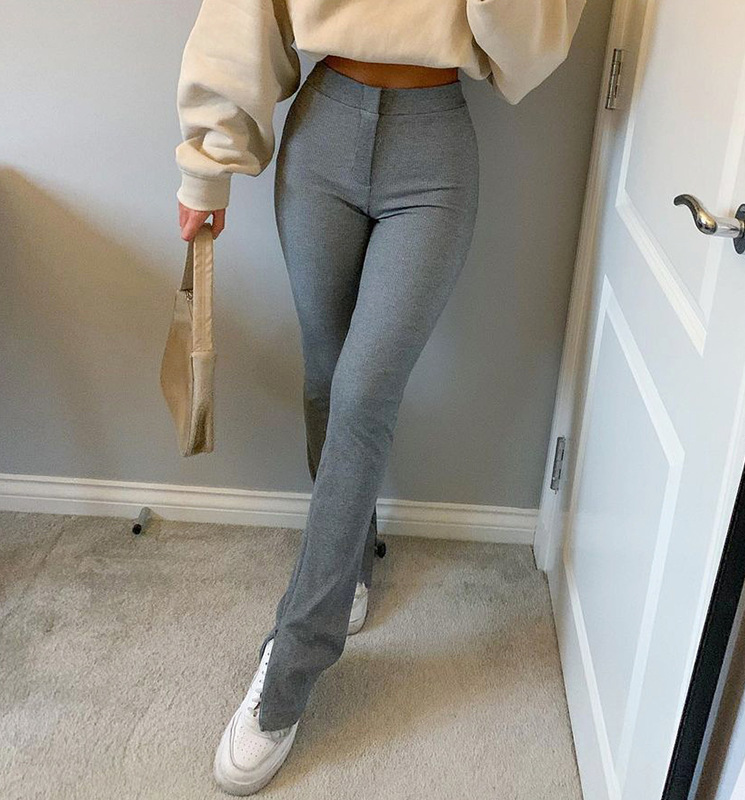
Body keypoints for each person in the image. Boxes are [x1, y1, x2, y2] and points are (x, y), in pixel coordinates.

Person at [174, 0, 586, 794]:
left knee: (364, 395)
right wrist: (208, 162)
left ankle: (291, 666)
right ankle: (352, 555)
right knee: (325, 381)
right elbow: (245, 16)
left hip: (436, 148)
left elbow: (531, 47)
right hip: (322, 130)